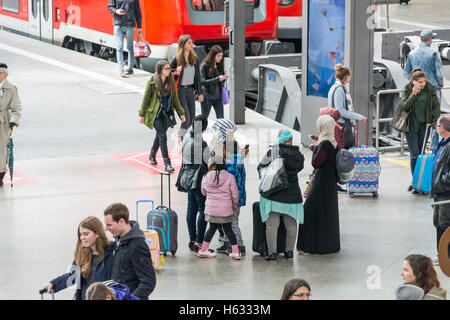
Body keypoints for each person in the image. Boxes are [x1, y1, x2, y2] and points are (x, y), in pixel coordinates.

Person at [257, 130, 304, 261]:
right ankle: (289, 252)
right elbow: (299, 168)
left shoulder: (274, 151)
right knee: (291, 225)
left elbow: (260, 166)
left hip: (274, 193)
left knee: (272, 225)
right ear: (290, 140)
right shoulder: (298, 154)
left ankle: (272, 253)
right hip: (292, 194)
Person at [42, 216, 115, 300]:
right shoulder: (82, 255)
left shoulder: (113, 252)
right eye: (80, 234)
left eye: (86, 234)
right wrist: (53, 284)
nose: (82, 238)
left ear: (97, 233)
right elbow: (71, 277)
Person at [297, 115, 340, 255]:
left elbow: (316, 163)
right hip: (330, 182)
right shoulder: (334, 142)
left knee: (308, 210)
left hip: (321, 182)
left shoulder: (325, 144)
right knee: (326, 213)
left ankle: (307, 246)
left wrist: (315, 147)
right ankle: (327, 245)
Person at [139, 60, 186, 173]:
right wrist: (142, 114)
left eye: (169, 68)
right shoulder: (152, 81)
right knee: (163, 136)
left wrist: (181, 113)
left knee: (159, 136)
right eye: (166, 69)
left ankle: (152, 154)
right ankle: (167, 164)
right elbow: (146, 98)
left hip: (167, 113)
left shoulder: (171, 82)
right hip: (155, 114)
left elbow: (175, 99)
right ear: (160, 70)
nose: (169, 71)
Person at [104, 203, 156, 300]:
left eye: (109, 225)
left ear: (121, 221)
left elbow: (148, 282)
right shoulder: (119, 241)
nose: (106, 229)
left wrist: (129, 298)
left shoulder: (137, 245)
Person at [399, 68, 440, 193]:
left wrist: (434, 122)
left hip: (425, 126)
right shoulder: (407, 89)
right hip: (411, 126)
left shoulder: (430, 89)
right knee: (415, 154)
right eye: (420, 82)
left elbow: (436, 106)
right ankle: (415, 181)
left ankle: (420, 180)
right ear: (414, 81)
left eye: (424, 81)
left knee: (422, 154)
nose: (423, 84)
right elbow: (405, 106)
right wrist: (413, 94)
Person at [404, 30, 444, 154]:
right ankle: (433, 147)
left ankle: (417, 146)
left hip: (417, 90)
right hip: (433, 89)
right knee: (434, 117)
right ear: (430, 40)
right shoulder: (433, 53)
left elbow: (406, 72)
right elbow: (439, 73)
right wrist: (440, 84)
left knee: (418, 116)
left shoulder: (412, 53)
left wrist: (415, 83)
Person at [176, 114, 211, 252]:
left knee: (191, 209)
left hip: (187, 176)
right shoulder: (201, 143)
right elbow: (209, 162)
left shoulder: (186, 138)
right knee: (203, 210)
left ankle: (192, 239)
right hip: (199, 178)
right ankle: (199, 242)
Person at [199, 155, 241, 260]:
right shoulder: (229, 176)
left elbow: (203, 192)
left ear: (213, 166)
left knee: (212, 228)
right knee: (228, 230)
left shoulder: (205, 176)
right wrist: (233, 206)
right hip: (225, 209)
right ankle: (235, 252)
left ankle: (203, 250)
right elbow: (235, 195)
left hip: (211, 209)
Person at [170, 35, 204, 140]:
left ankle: (180, 135)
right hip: (180, 91)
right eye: (189, 43)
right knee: (186, 118)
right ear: (183, 45)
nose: (192, 44)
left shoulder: (194, 59)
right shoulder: (176, 60)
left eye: (191, 42)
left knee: (192, 118)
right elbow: (169, 75)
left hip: (190, 90)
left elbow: (198, 77)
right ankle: (180, 138)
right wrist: (176, 72)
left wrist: (200, 93)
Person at [328, 64, 366, 149]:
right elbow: (340, 111)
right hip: (342, 126)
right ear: (346, 76)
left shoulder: (333, 88)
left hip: (336, 124)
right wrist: (358, 116)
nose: (350, 77)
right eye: (350, 75)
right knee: (346, 149)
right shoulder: (340, 89)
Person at [218, 140, 246, 255]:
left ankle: (239, 245)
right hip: (240, 195)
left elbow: (230, 181)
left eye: (223, 149)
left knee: (232, 221)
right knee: (228, 221)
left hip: (232, 197)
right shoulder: (238, 159)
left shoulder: (229, 162)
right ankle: (228, 242)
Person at [431, 115, 450, 266]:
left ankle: (447, 255)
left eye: (437, 126)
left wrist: (443, 181)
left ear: (442, 128)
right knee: (438, 222)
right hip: (439, 191)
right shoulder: (443, 143)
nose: (436, 128)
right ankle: (441, 253)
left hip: (445, 191)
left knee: (445, 224)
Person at [0, 63, 22, 186]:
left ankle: (0, 173)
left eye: (0, 73)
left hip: (2, 123)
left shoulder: (11, 89)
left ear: (5, 74)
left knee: (2, 149)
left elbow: (16, 107)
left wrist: (14, 120)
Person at [108, 0, 142, 77]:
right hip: (118, 25)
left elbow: (138, 12)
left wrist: (139, 26)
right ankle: (121, 69)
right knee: (119, 47)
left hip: (130, 26)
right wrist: (116, 11)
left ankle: (130, 69)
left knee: (130, 48)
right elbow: (110, 7)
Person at [200, 45, 229, 119]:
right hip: (207, 97)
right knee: (203, 118)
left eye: (221, 56)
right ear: (213, 56)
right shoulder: (204, 66)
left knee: (221, 119)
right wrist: (218, 79)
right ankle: (196, 130)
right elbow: (202, 81)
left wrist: (224, 78)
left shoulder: (219, 65)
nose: (220, 58)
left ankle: (220, 130)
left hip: (218, 97)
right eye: (218, 56)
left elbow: (219, 80)